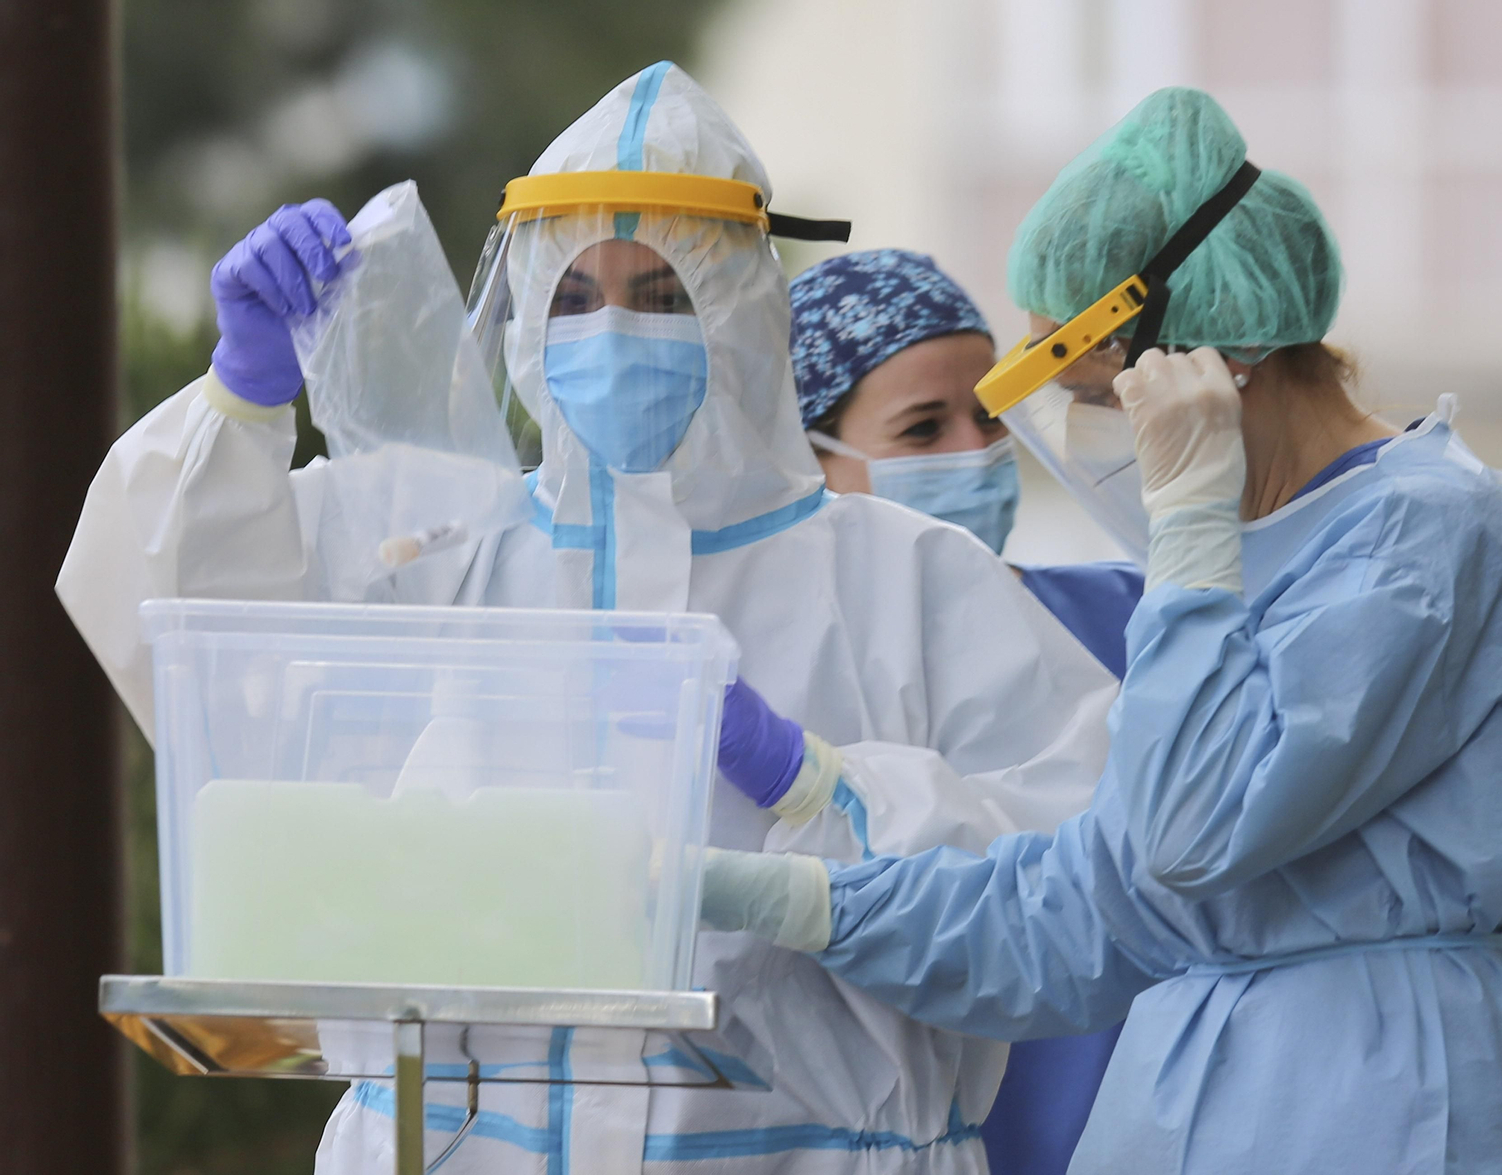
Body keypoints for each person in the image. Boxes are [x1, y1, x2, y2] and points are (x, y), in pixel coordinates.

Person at [57, 62, 1122, 1174]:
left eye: (663, 293)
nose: (612, 332)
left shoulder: (909, 581)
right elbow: (184, 640)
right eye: (572, 296)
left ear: (743, 309)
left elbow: (1071, 900)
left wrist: (823, 786)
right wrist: (241, 397)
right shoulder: (433, 549)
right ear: (522, 311)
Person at [703, 87, 1502, 1174]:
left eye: (1094, 393)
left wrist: (1184, 530)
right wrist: (787, 894)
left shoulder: (1423, 541)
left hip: (1390, 1103)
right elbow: (1085, 909)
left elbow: (1191, 826)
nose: (1085, 440)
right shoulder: (1255, 562)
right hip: (1199, 1104)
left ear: (1212, 371)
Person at [789, 247, 1135, 1171]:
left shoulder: (1127, 619)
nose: (974, 454)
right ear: (809, 461)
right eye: (921, 428)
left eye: (988, 416)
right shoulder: (795, 683)